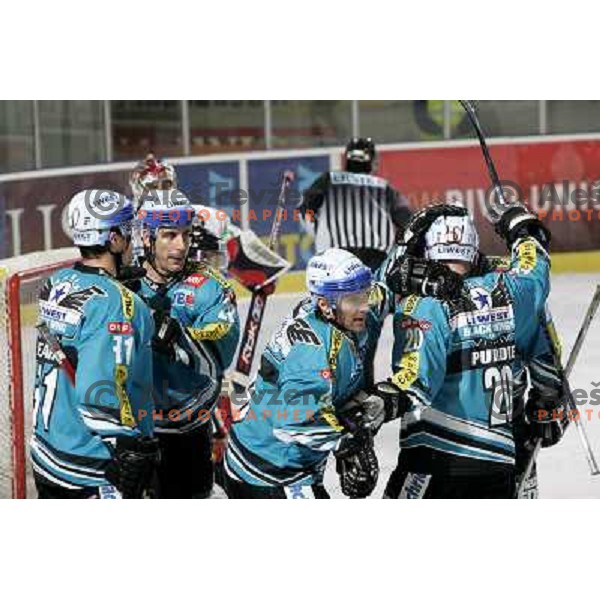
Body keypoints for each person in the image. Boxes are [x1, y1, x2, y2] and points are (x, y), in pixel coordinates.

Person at [382, 202, 561, 498]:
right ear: (474, 249)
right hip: (501, 457)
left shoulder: (422, 304)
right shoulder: (513, 290)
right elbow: (535, 271)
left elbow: (414, 383)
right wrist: (523, 231)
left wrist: (371, 409)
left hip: (434, 458)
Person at [222, 248, 413, 499]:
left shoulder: (339, 309)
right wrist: (346, 443)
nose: (364, 306)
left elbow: (385, 288)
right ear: (324, 304)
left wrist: (409, 244)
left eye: (364, 295)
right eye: (354, 300)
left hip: (273, 458)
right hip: (267, 470)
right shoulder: (311, 350)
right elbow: (296, 420)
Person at [30, 189, 157, 499]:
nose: (132, 239)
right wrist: (126, 448)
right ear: (113, 239)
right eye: (127, 230)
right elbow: (98, 392)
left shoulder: (56, 281)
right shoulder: (119, 303)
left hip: (48, 450)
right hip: (92, 465)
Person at [136, 189, 240, 498]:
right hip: (132, 433)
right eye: (169, 235)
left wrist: (172, 334)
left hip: (188, 436)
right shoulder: (121, 286)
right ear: (147, 237)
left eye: (185, 235)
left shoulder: (211, 288)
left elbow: (215, 362)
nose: (180, 246)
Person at [300, 137, 412, 272]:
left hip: (334, 256)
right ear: (371, 161)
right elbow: (407, 222)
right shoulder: (384, 187)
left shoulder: (328, 180)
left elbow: (306, 210)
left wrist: (317, 230)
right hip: (375, 257)